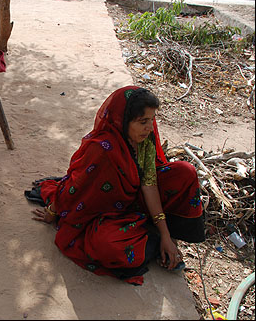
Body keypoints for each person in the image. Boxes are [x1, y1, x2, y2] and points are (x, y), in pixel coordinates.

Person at [25, 86, 205, 285]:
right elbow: (75, 188)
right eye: (143, 121)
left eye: (152, 120)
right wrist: (52, 211)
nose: (149, 127)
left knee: (185, 172)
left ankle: (159, 233)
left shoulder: (145, 140)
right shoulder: (102, 149)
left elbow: (149, 184)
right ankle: (151, 243)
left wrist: (166, 234)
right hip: (107, 210)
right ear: (123, 120)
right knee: (106, 245)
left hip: (138, 200)